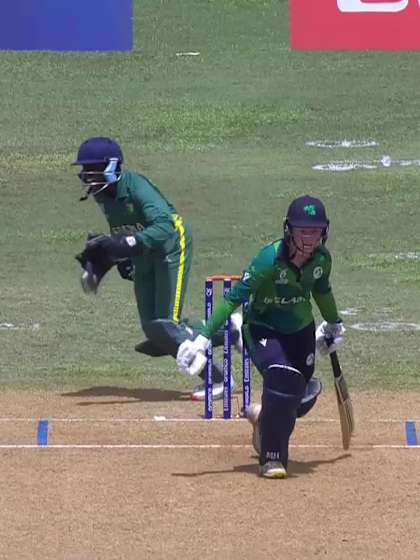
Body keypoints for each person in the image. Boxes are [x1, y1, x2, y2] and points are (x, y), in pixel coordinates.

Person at [177, 195, 345, 478]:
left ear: (324, 231)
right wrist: (203, 338)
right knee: (282, 379)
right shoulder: (269, 259)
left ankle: (261, 418)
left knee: (297, 400)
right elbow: (232, 299)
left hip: (300, 328)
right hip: (262, 327)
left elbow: (322, 290)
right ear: (289, 229)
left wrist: (332, 325)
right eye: (303, 230)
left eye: (314, 230)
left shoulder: (322, 259)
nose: (309, 237)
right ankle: (272, 459)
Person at [72, 136, 242, 400]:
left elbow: (164, 226)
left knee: (166, 324)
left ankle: (219, 379)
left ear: (111, 167)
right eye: (84, 171)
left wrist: (129, 243)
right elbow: (123, 230)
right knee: (153, 328)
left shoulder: (137, 187)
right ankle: (231, 331)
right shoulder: (103, 196)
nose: (86, 176)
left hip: (171, 246)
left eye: (91, 170)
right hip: (145, 253)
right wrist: (113, 259)